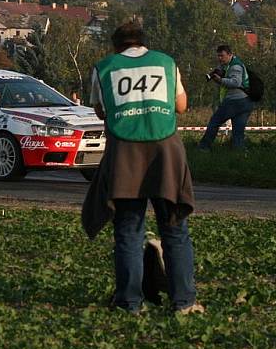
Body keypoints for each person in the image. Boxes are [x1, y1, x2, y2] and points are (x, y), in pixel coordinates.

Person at [82, 21, 201, 315]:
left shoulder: (104, 67)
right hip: (166, 153)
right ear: (143, 42)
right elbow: (182, 106)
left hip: (125, 154)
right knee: (174, 228)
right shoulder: (166, 62)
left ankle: (129, 303)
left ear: (116, 46)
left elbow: (101, 110)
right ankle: (184, 302)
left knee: (128, 230)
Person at [197, 45, 254, 150]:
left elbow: (236, 82)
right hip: (246, 101)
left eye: (222, 56)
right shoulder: (232, 64)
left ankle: (204, 147)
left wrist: (220, 80)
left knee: (214, 122)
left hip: (234, 101)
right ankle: (239, 151)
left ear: (230, 54)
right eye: (218, 56)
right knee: (238, 129)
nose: (219, 58)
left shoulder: (235, 66)